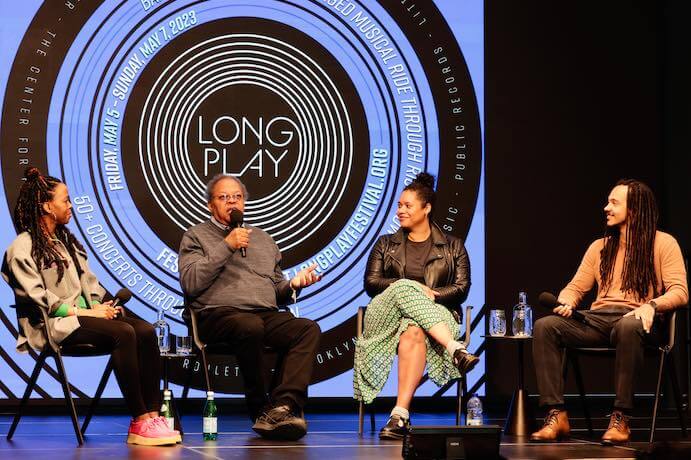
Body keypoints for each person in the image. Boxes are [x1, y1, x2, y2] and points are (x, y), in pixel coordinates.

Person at [2, 167, 179, 446]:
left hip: (82, 318)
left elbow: (88, 286)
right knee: (123, 333)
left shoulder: (66, 243)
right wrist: (88, 312)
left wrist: (101, 305)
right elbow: (42, 301)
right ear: (47, 206)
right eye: (66, 200)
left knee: (144, 330)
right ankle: (140, 420)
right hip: (51, 326)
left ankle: (154, 416)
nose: (70, 205)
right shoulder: (22, 248)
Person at [530, 179, 688, 445]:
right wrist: (566, 301)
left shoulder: (663, 243)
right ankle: (556, 414)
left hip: (639, 321)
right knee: (546, 326)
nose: (606, 208)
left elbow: (680, 292)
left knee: (628, 325)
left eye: (614, 203)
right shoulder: (599, 246)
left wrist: (651, 305)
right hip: (598, 321)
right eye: (608, 202)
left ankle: (621, 417)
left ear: (635, 209)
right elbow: (575, 288)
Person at [178, 174, 321, 441]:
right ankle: (260, 409)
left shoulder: (264, 240)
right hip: (215, 315)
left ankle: (284, 405)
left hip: (263, 314)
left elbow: (277, 290)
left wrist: (294, 285)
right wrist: (227, 245)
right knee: (249, 325)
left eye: (237, 197)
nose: (232, 202)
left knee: (307, 329)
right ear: (210, 205)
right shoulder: (195, 236)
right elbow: (191, 282)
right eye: (224, 197)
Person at [353, 172, 479, 440]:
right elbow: (372, 283)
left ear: (427, 208)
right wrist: (412, 288)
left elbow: (461, 288)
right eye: (399, 205)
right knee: (403, 286)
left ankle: (399, 415)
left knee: (414, 331)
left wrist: (430, 295)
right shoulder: (386, 244)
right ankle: (455, 348)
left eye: (407, 205)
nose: (400, 210)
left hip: (433, 316)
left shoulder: (453, 246)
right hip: (386, 316)